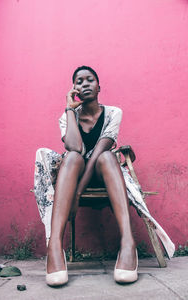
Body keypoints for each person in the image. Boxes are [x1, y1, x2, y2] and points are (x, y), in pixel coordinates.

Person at [34, 66, 175, 287]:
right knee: (71, 157)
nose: (85, 84)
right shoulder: (66, 117)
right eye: (79, 82)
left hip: (103, 173)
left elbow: (99, 152)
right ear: (74, 90)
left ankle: (128, 242)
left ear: (99, 87)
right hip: (73, 173)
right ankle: (54, 246)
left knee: (107, 156)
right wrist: (70, 110)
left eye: (90, 80)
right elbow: (75, 147)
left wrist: (78, 194)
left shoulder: (113, 113)